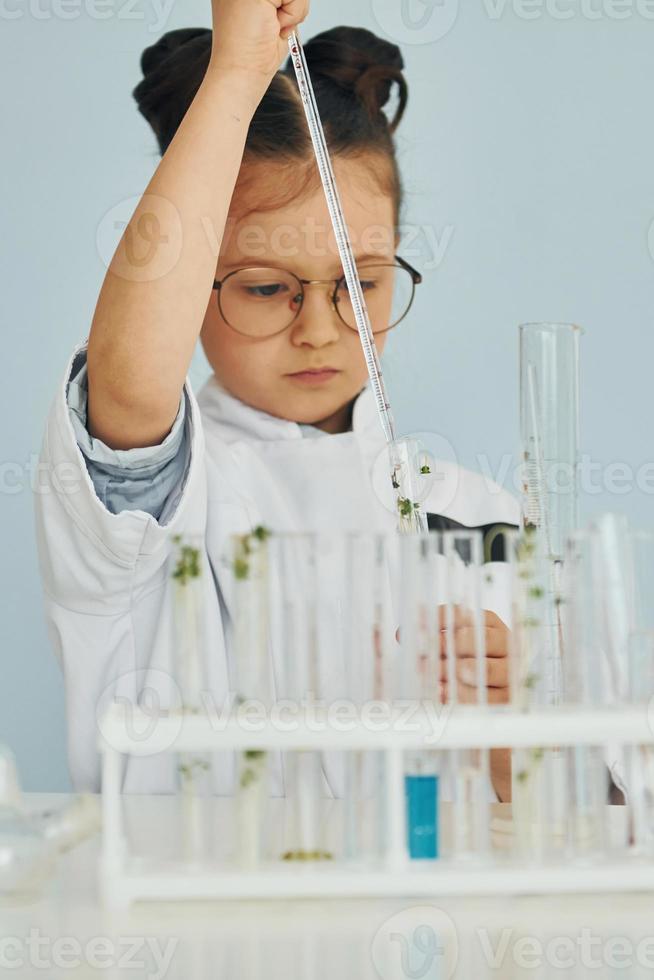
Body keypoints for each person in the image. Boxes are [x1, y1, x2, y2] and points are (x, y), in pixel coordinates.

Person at [34, 0, 519, 802]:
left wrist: (514, 729)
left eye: (362, 283)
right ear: (194, 281)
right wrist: (235, 74)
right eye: (266, 288)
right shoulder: (162, 498)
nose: (322, 332)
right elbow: (128, 379)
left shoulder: (476, 512)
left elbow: (587, 818)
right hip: (186, 928)